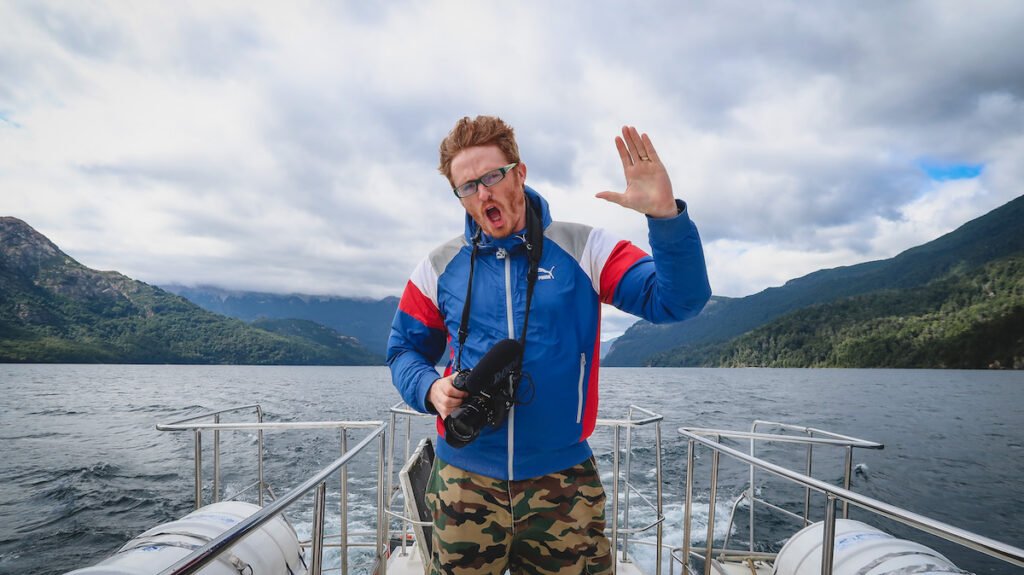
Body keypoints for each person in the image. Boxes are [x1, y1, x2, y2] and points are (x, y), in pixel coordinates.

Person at [387, 115, 711, 574]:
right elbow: (402, 350)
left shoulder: (585, 249)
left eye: (493, 176)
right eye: (467, 186)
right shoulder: (439, 267)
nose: (483, 194)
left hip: (563, 484)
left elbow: (680, 301)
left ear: (520, 172)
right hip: (463, 480)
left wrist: (666, 219)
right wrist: (429, 389)